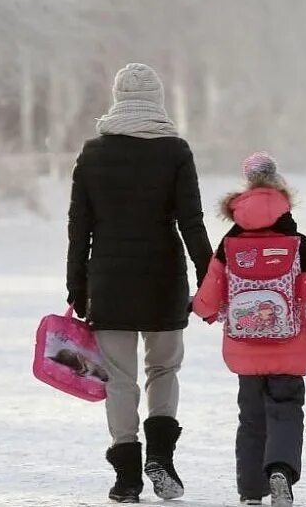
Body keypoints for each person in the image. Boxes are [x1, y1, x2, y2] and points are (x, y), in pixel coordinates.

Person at [66, 63, 212, 503]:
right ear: (157, 100)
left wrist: (77, 285)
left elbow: (79, 228)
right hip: (162, 278)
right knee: (163, 368)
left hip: (109, 281)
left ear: (117, 98)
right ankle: (161, 459)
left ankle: (127, 475)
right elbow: (192, 221)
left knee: (119, 377)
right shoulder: (175, 151)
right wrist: (209, 277)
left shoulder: (93, 153)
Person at [192, 152, 306, 507]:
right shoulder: (300, 245)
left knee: (251, 420)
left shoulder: (229, 244)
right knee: (285, 412)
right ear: (282, 196)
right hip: (290, 349)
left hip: (244, 349)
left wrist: (204, 310)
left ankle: (251, 491)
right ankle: (280, 471)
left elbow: (207, 297)